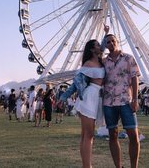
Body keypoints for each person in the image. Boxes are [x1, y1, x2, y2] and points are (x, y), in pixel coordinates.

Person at [59, 39, 105, 168]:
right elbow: (75, 84)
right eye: (97, 45)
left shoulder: (102, 63)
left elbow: (104, 46)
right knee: (88, 134)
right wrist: (63, 97)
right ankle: (87, 166)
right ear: (91, 49)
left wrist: (106, 34)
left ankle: (86, 165)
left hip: (98, 98)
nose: (100, 46)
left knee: (86, 135)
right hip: (89, 97)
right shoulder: (88, 64)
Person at [102, 25, 141, 168]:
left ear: (117, 41)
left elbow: (135, 78)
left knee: (133, 134)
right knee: (112, 134)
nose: (111, 43)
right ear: (105, 45)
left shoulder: (128, 58)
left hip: (126, 100)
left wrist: (135, 99)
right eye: (108, 42)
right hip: (109, 102)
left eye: (113, 41)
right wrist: (104, 34)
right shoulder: (103, 62)